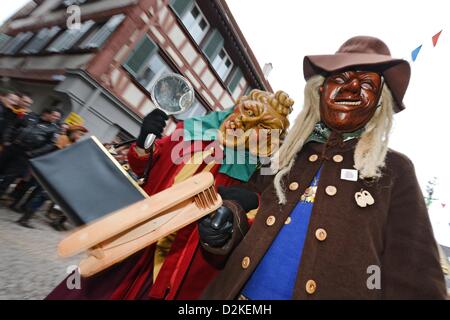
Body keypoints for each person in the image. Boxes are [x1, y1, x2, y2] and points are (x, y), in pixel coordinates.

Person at [199, 36, 447, 299]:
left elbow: (415, 277)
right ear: (320, 90)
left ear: (378, 102)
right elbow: (250, 211)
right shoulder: (287, 153)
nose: (351, 88)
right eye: (340, 78)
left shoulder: (395, 170)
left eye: (365, 83)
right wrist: (226, 226)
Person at [47, 89, 294, 300]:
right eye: (245, 112)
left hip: (175, 265)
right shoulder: (189, 137)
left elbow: (262, 217)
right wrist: (144, 143)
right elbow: (142, 165)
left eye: (261, 126)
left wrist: (248, 206)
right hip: (129, 244)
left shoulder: (261, 175)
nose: (242, 123)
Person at [16, 125, 88, 229]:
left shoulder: (73, 143)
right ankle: (23, 216)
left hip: (54, 172)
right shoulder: (63, 138)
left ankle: (25, 216)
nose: (79, 137)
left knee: (41, 195)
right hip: (47, 169)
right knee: (38, 193)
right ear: (73, 132)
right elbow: (54, 154)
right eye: (79, 134)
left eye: (81, 135)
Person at [0, 108, 61, 196]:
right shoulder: (30, 116)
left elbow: (49, 145)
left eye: (58, 117)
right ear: (47, 113)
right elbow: (13, 126)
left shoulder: (54, 129)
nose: (56, 118)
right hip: (11, 146)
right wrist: (6, 139)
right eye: (54, 115)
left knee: (11, 174)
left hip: (26, 153)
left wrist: (33, 153)